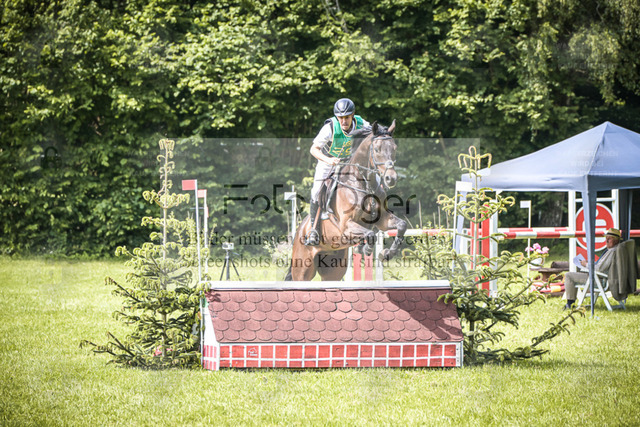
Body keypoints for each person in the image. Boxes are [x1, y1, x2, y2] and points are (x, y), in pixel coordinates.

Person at [305, 98, 370, 245]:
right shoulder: (330, 127)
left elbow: (374, 132)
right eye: (340, 118)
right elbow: (313, 149)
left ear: (352, 115)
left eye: (347, 117)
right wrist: (328, 160)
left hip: (349, 162)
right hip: (328, 161)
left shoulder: (361, 123)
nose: (344, 121)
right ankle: (313, 230)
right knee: (316, 191)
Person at [563, 227, 621, 309]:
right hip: (607, 279)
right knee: (578, 271)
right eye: (606, 238)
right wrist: (589, 263)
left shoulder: (612, 251)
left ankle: (570, 304)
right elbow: (602, 265)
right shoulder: (618, 250)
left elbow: (599, 269)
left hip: (600, 281)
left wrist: (586, 264)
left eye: (610, 239)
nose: (607, 241)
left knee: (569, 276)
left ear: (616, 240)